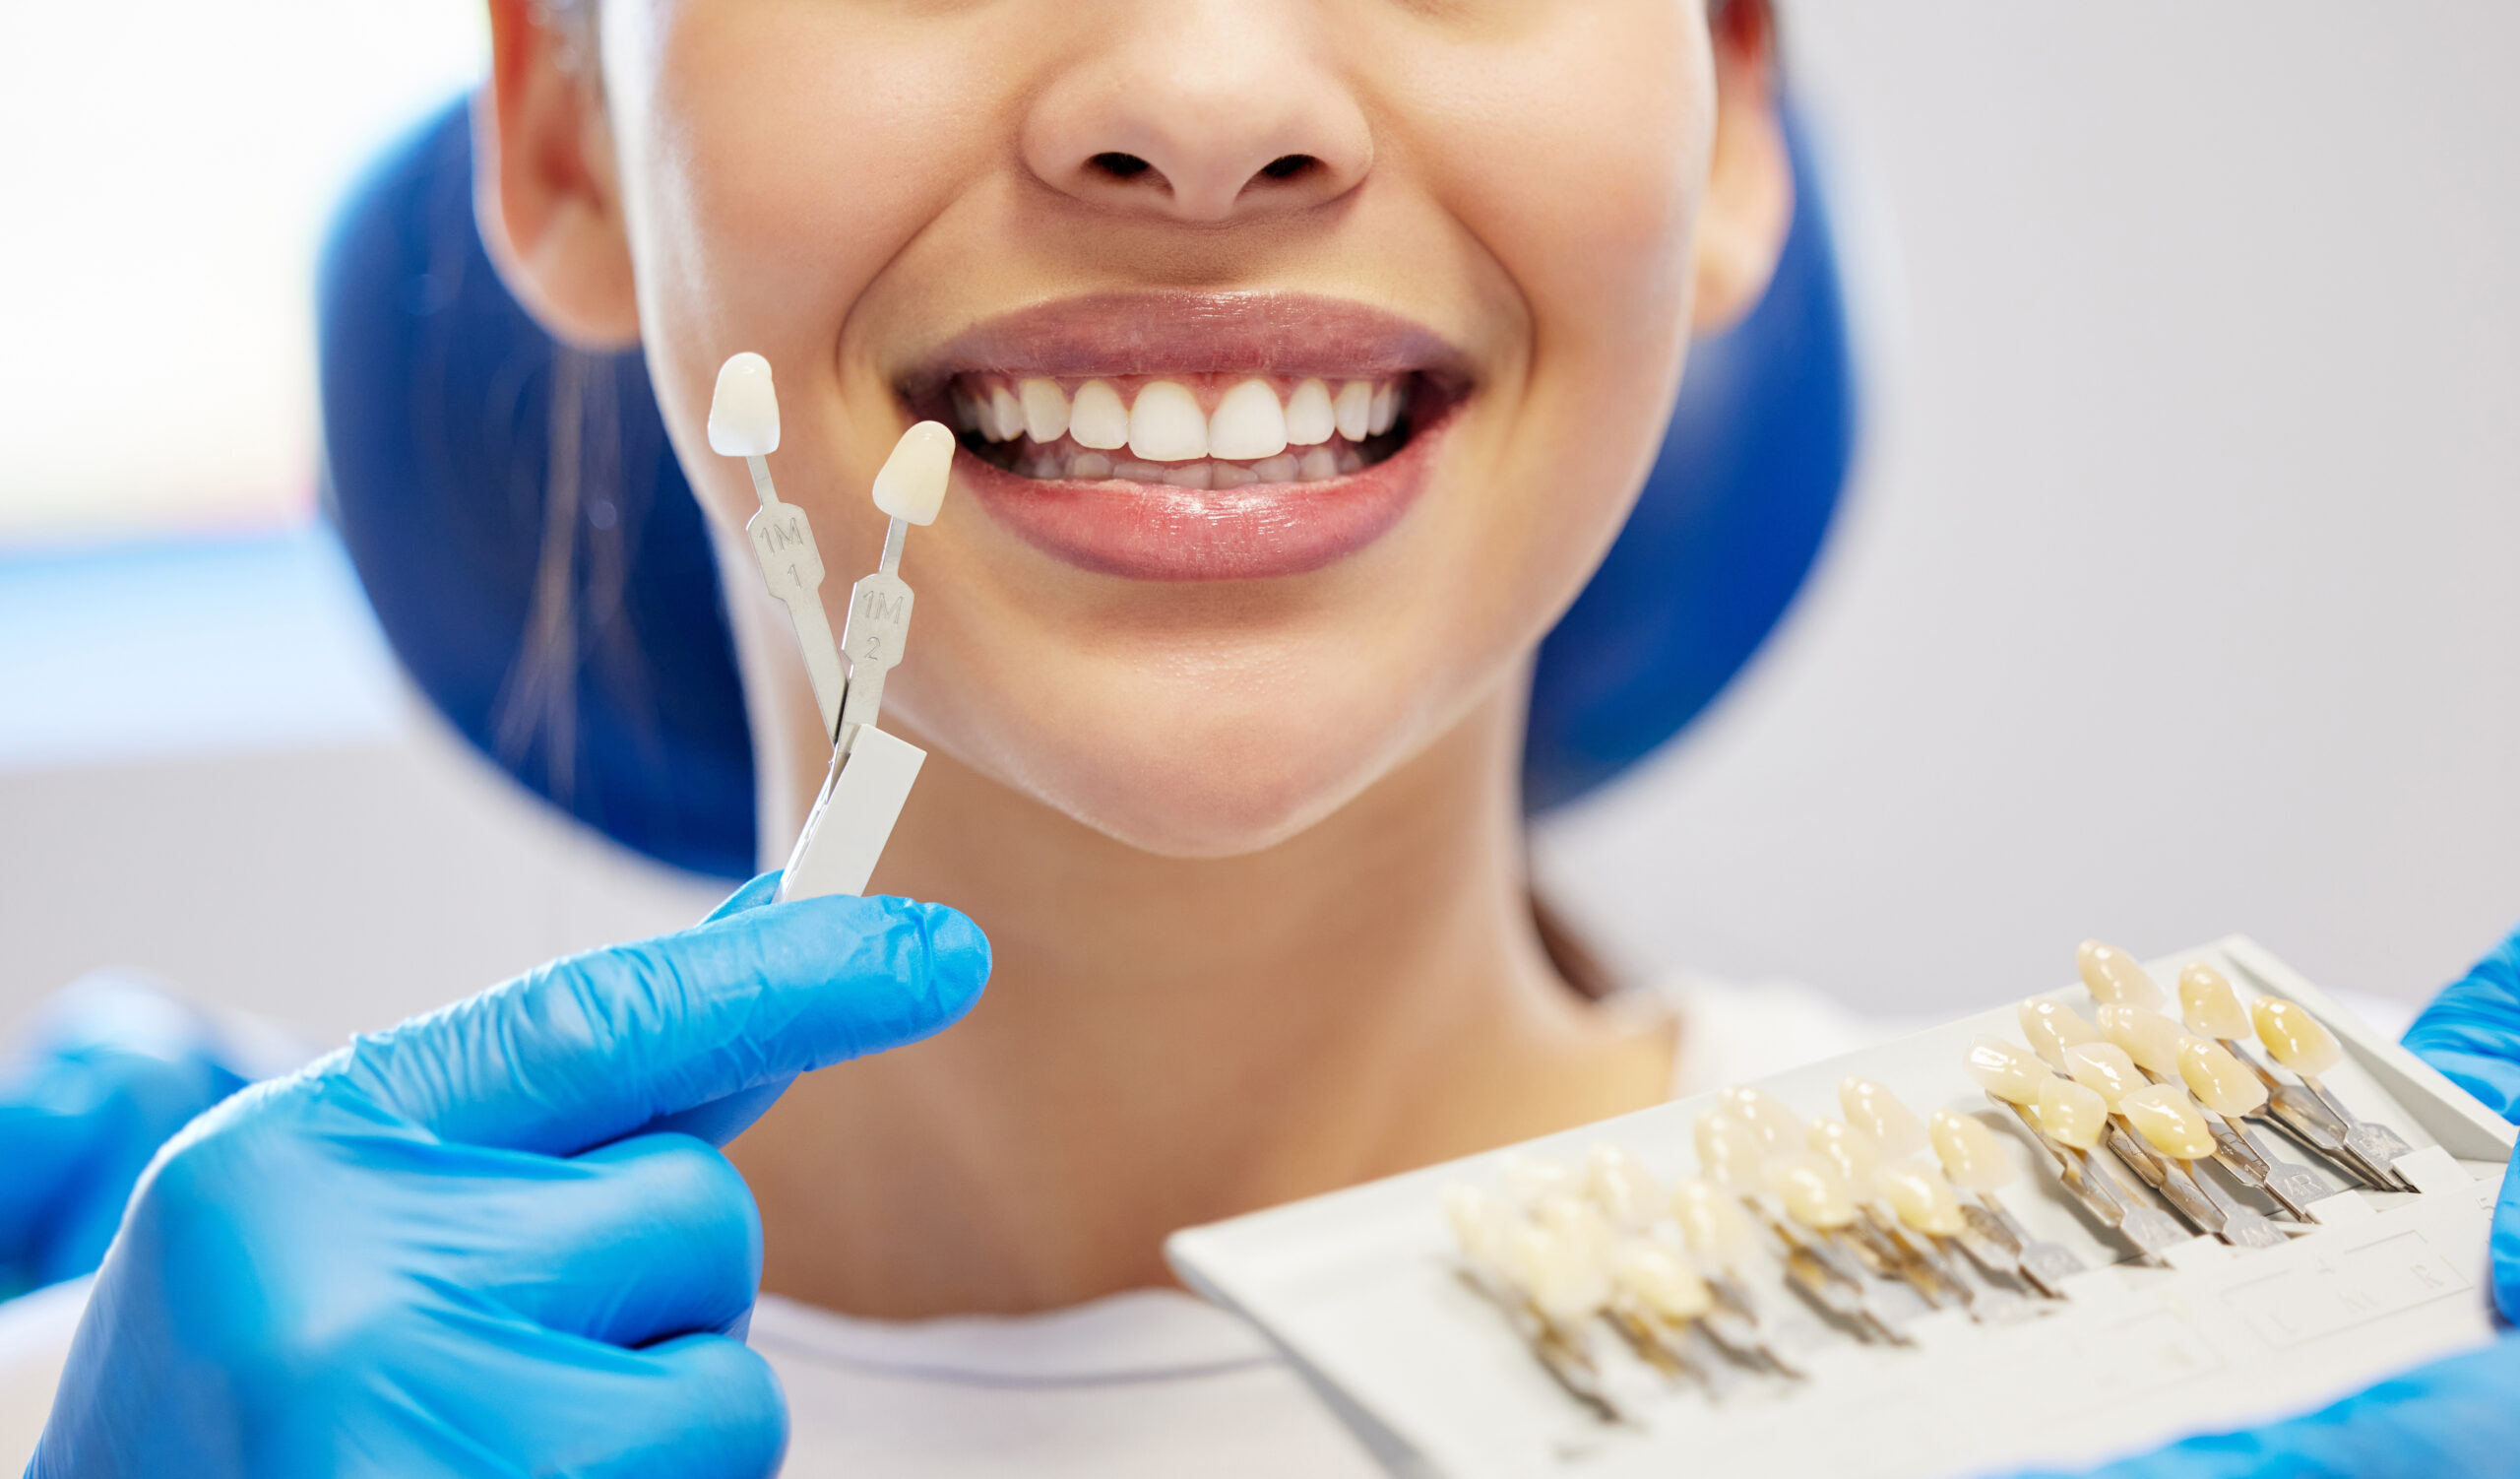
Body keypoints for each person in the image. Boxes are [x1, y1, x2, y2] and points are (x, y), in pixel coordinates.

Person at [15, 1, 2520, 1474]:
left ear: (1726, 104)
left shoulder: (2306, 1347)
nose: (1206, 103)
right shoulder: (154, 1401)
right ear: (563, 130)